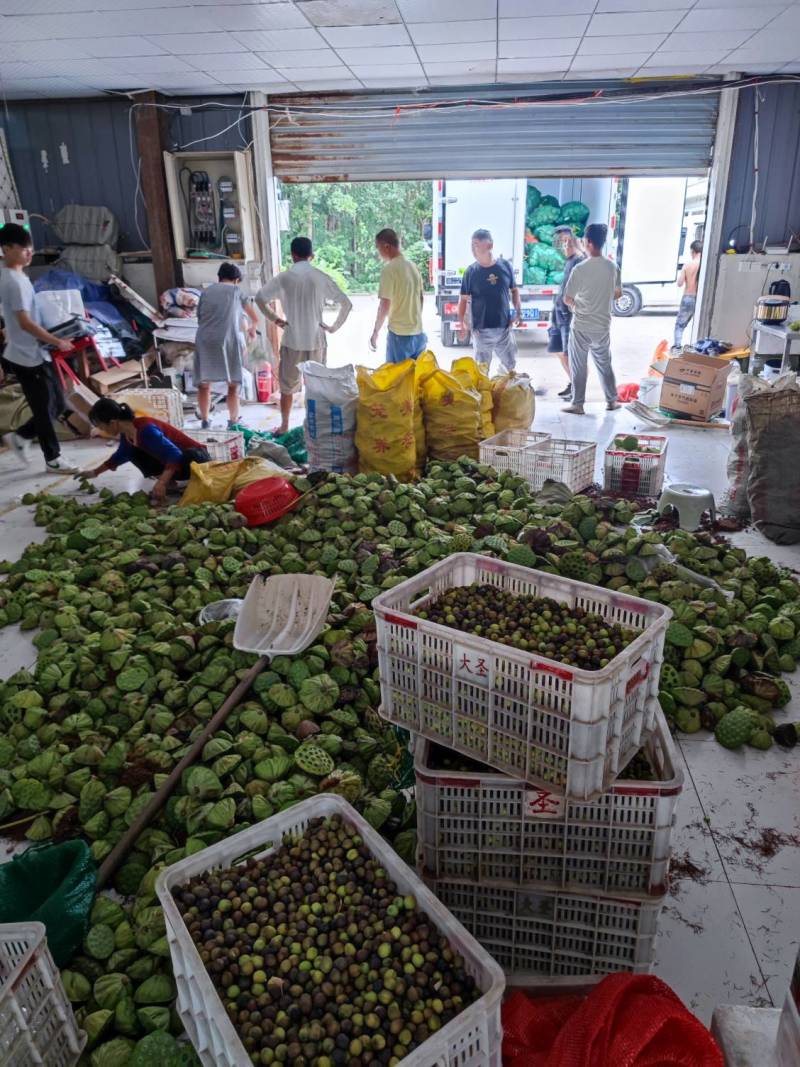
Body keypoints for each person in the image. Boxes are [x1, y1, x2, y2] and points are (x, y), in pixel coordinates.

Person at [0, 222, 76, 473]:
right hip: (27, 356)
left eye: (31, 249)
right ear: (7, 249)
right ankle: (53, 458)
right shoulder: (13, 280)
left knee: (57, 403)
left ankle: (20, 436)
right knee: (44, 408)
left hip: (34, 352)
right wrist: (57, 341)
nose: (29, 253)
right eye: (24, 249)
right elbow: (24, 322)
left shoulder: (16, 275)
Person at [257, 236, 352, 434]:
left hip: (292, 339)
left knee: (287, 388)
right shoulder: (319, 276)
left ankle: (284, 426)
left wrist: (275, 319)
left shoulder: (283, 278)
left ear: (292, 255)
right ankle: (315, 429)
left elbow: (260, 298)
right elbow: (346, 303)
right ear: (312, 255)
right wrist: (333, 327)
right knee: (317, 388)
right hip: (317, 340)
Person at [79, 398, 210, 504]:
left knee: (140, 452)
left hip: (196, 459)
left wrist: (161, 482)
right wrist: (94, 472)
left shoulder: (146, 429)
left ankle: (168, 483)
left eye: (101, 426)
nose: (101, 430)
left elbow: (175, 455)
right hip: (182, 461)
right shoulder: (128, 434)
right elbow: (120, 456)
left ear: (112, 422)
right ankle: (171, 483)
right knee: (132, 453)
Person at [561, 222, 622, 416]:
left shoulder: (580, 269)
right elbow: (618, 293)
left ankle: (578, 404)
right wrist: (602, 297)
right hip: (602, 326)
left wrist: (578, 304)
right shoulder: (612, 267)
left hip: (581, 326)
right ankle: (612, 401)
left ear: (587, 242)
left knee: (579, 365)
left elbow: (567, 298)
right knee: (604, 363)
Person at [194, 262, 259, 431]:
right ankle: (233, 421)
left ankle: (205, 421)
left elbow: (200, 318)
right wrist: (252, 330)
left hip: (205, 340)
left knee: (204, 384)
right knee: (233, 384)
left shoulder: (206, 292)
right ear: (237, 280)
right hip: (228, 341)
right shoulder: (237, 291)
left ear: (219, 278)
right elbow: (254, 318)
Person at [456, 228, 521, 371]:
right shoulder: (471, 272)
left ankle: (504, 392)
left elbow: (514, 291)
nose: (473, 249)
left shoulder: (505, 266)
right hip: (481, 331)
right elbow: (462, 300)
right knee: (481, 371)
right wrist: (461, 323)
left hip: (504, 329)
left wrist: (517, 311)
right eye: (472, 245)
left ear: (490, 245)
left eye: (477, 245)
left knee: (510, 367)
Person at [370, 228, 426, 363]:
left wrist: (376, 331)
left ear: (387, 246)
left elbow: (385, 305)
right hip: (418, 334)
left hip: (399, 337)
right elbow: (421, 298)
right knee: (416, 380)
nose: (379, 253)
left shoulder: (389, 270)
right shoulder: (413, 267)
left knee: (397, 380)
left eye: (379, 248)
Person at [547, 226, 585, 400]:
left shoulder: (579, 260)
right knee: (558, 350)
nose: (563, 245)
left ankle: (578, 389)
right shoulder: (569, 260)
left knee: (571, 353)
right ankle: (573, 383)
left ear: (573, 240)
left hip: (569, 315)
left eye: (566, 240)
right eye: (560, 242)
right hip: (559, 313)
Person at [673, 240, 702, 351]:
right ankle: (699, 348)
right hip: (700, 299)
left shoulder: (688, 265)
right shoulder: (705, 265)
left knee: (680, 325)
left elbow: (679, 283)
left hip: (688, 297)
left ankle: (677, 347)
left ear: (693, 251)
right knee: (699, 324)